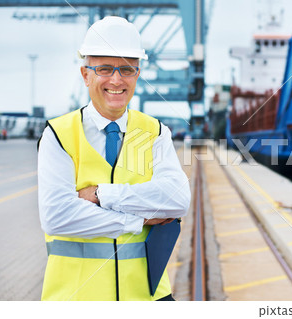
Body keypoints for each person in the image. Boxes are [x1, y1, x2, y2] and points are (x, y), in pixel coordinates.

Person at [37, 16, 191, 301]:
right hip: (76, 299)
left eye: (127, 69)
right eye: (105, 69)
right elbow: (57, 217)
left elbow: (178, 200)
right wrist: (139, 219)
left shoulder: (155, 132)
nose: (117, 80)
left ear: (137, 74)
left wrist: (100, 194)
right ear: (86, 75)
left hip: (149, 297)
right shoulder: (58, 135)